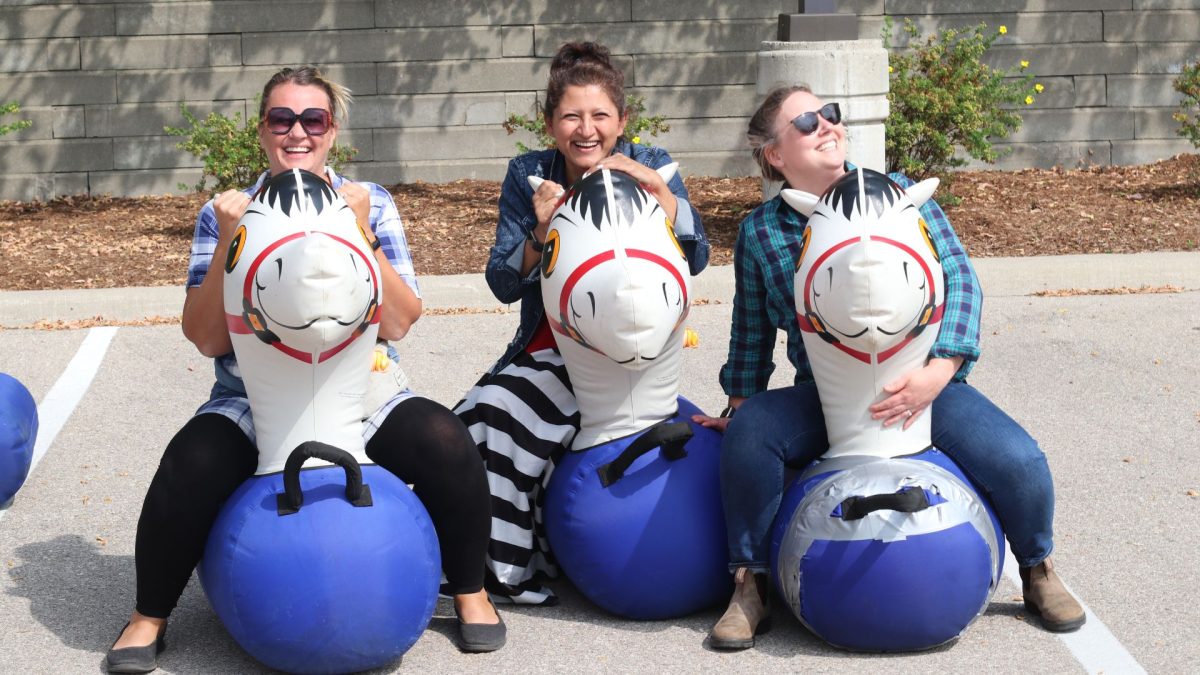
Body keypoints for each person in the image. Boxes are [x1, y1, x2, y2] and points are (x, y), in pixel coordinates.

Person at [106, 66, 502, 674]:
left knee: (445, 441)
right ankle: (148, 616)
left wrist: (362, 227)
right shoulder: (229, 211)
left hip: (363, 386)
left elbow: (397, 323)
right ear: (262, 131)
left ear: (331, 130)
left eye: (311, 119)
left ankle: (471, 592)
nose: (297, 132)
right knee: (191, 463)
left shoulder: (370, 201)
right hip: (251, 394)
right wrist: (233, 240)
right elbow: (206, 335)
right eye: (281, 119)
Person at [696, 85, 1086, 650]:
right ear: (775, 155)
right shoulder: (761, 231)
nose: (828, 125)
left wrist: (940, 371)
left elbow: (960, 284)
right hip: (827, 398)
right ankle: (749, 584)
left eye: (831, 114)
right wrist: (738, 402)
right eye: (808, 121)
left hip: (925, 386)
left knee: (1018, 459)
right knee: (752, 436)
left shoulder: (904, 198)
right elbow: (751, 327)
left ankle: (1037, 569)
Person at [454, 41, 711, 605]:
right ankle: (505, 562)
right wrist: (540, 233)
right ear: (550, 124)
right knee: (476, 419)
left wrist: (669, 205)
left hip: (628, 353)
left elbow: (696, 258)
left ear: (622, 120)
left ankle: (524, 559)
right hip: (553, 346)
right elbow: (502, 282)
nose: (586, 129)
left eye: (600, 115)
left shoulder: (653, 165)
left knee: (503, 415)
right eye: (571, 115)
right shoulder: (530, 174)